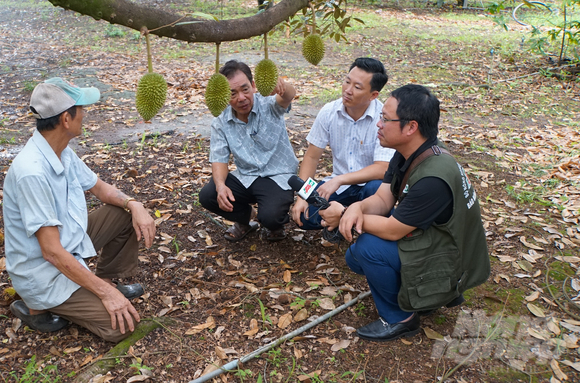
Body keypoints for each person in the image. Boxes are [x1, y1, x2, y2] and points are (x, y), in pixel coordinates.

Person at [320, 84, 490, 342]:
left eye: (386, 119)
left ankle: (401, 318)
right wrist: (356, 207)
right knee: (355, 256)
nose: (378, 124)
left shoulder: (433, 177)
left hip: (451, 260)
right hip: (438, 241)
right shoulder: (411, 151)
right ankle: (424, 296)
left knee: (366, 248)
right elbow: (382, 198)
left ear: (411, 127)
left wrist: (344, 214)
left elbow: (393, 230)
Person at [3, 77, 156, 342]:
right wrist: (107, 297)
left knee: (122, 213)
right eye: (81, 109)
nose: (85, 115)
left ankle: (106, 280)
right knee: (121, 326)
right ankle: (37, 308)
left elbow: (100, 189)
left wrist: (135, 204)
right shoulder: (32, 172)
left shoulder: (60, 150)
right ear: (65, 119)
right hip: (44, 271)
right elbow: (50, 252)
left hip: (67, 243)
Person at [199, 60, 298, 242]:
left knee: (271, 216)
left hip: (277, 176)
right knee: (209, 195)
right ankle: (246, 219)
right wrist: (221, 186)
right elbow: (219, 158)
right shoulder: (221, 121)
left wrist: (282, 86)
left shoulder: (269, 105)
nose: (241, 98)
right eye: (233, 93)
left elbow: (288, 97)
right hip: (246, 176)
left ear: (253, 86)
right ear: (224, 96)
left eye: (245, 89)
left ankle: (273, 223)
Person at [291, 58, 394, 232]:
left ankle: (355, 223)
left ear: (373, 95)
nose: (347, 90)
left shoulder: (383, 119)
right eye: (347, 81)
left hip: (368, 189)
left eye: (357, 87)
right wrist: (303, 195)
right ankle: (346, 220)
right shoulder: (329, 112)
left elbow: (382, 168)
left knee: (377, 188)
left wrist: (340, 179)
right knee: (305, 216)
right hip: (339, 188)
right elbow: (311, 157)